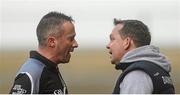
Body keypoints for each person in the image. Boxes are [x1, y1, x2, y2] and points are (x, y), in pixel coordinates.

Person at [9, 11, 78, 94]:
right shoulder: (31, 74)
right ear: (52, 42)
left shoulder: (49, 69)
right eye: (71, 39)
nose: (75, 44)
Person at [106, 19, 175, 94]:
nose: (108, 45)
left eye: (112, 39)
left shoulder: (137, 75)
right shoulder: (156, 68)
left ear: (127, 42)